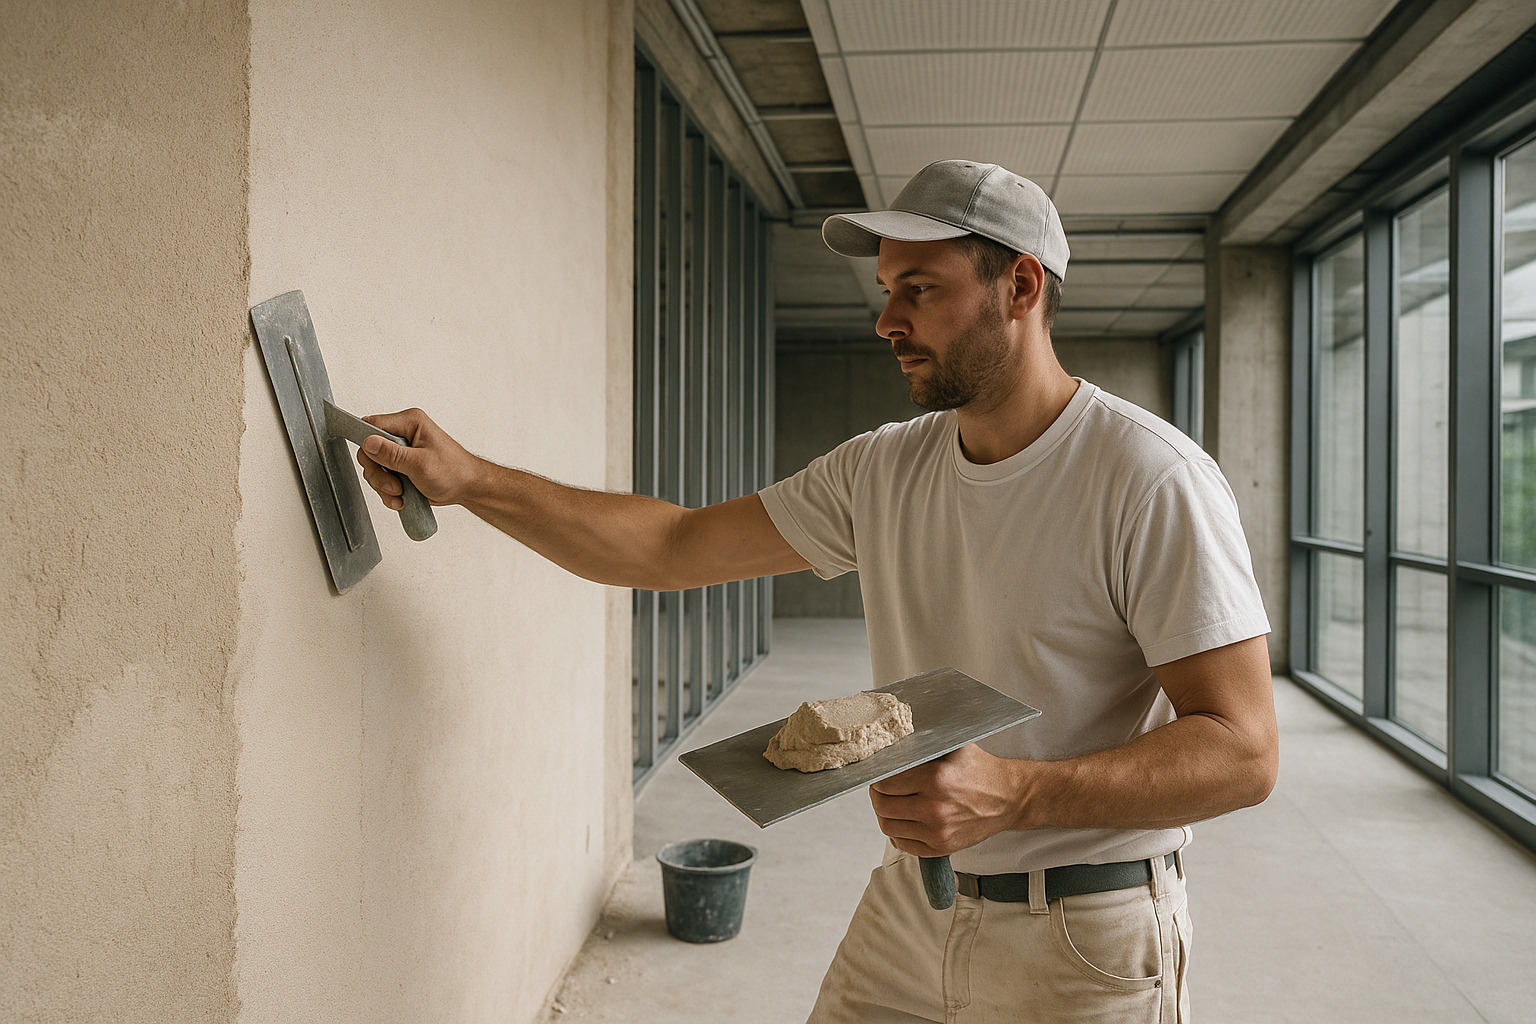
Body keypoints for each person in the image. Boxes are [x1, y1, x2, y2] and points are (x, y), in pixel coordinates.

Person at [356, 159, 1278, 1023]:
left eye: (921, 291)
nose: (888, 322)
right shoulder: (885, 468)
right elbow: (671, 545)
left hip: (1086, 937)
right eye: (887, 292)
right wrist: (473, 479)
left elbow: (1244, 751)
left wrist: (1020, 793)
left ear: (1022, 288)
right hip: (914, 905)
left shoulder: (1148, 479)